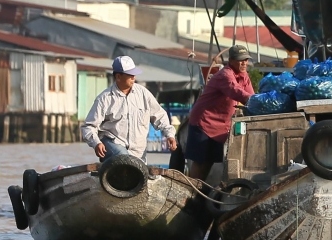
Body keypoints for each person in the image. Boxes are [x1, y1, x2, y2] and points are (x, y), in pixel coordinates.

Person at [82, 56, 177, 162]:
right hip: (113, 146)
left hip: (138, 154)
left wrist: (170, 135)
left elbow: (160, 115)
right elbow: (88, 126)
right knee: (123, 157)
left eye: (134, 74)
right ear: (118, 76)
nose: (133, 77)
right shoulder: (104, 99)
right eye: (130, 75)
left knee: (135, 170)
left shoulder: (143, 94)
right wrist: (96, 143)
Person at [185, 45, 256, 181]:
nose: (244, 63)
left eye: (246, 60)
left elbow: (251, 95)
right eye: (241, 60)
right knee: (199, 161)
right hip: (203, 122)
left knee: (209, 161)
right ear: (231, 60)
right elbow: (238, 92)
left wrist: (262, 103)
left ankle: (200, 192)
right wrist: (257, 101)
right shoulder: (225, 75)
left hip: (220, 125)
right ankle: (190, 192)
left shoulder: (244, 76)